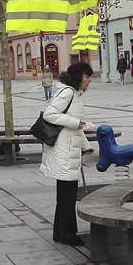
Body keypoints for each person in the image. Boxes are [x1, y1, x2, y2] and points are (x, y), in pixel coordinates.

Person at [39, 62, 95, 246]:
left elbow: (76, 126)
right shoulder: (68, 92)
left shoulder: (75, 93)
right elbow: (50, 114)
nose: (89, 81)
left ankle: (60, 232)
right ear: (79, 76)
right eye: (87, 77)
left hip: (70, 148)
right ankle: (69, 234)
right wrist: (74, 122)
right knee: (67, 195)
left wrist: (85, 145)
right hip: (63, 151)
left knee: (65, 194)